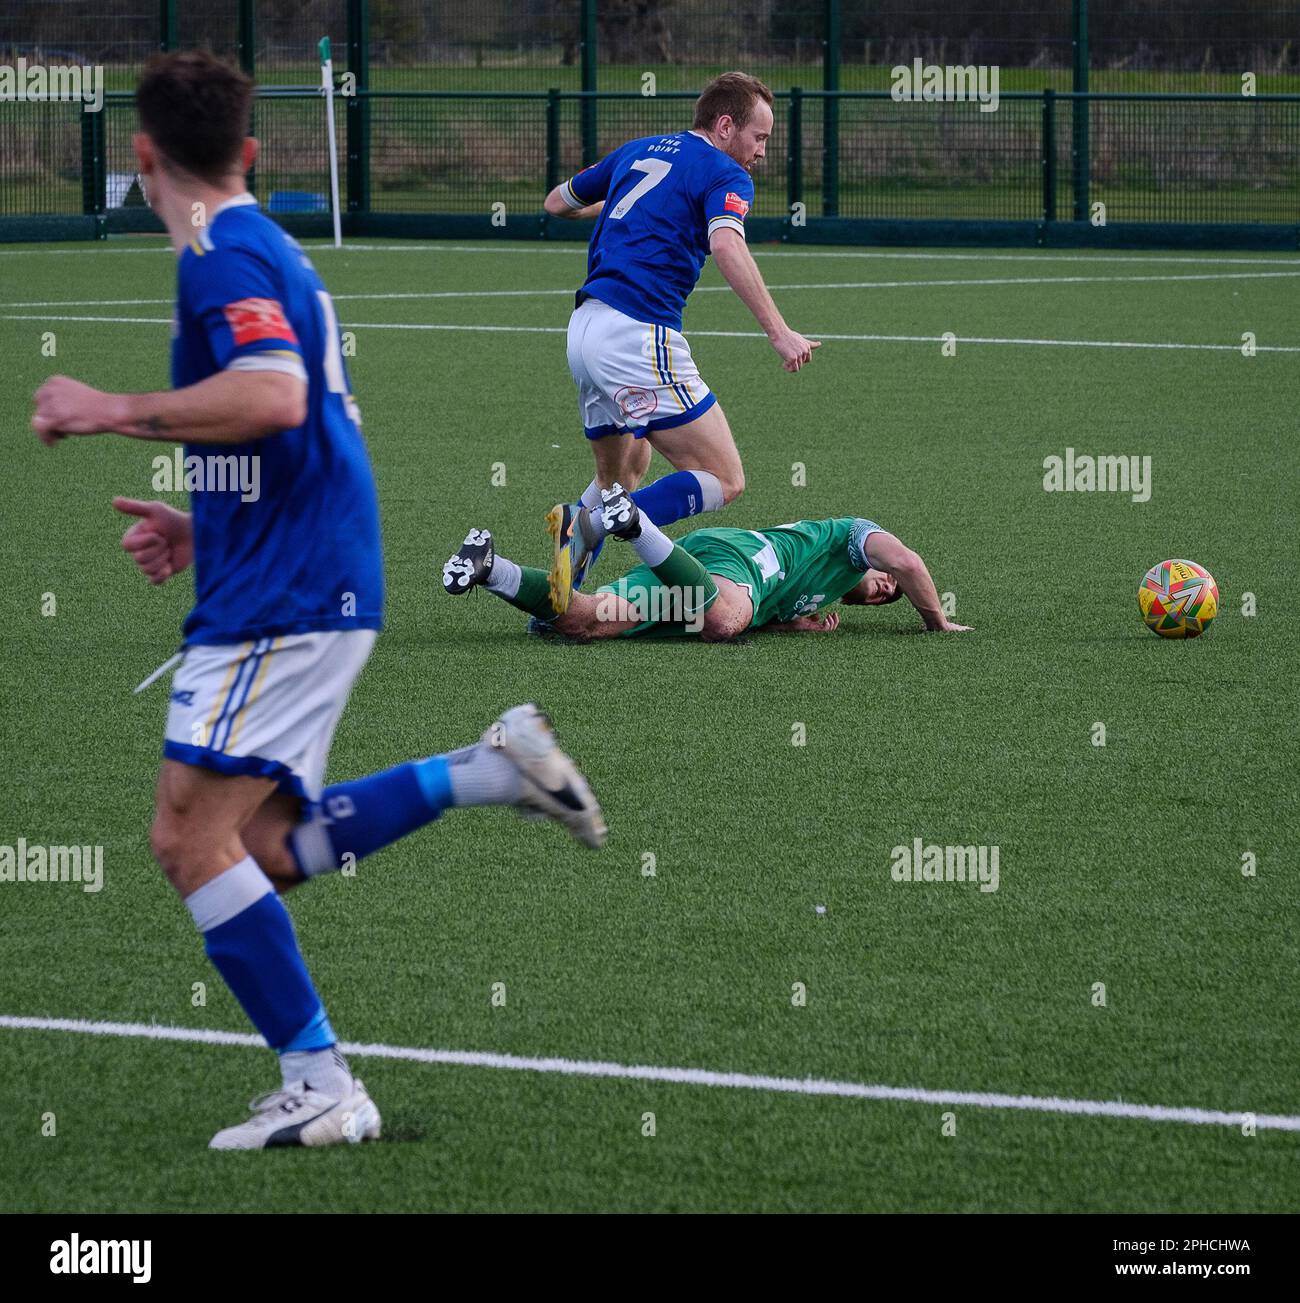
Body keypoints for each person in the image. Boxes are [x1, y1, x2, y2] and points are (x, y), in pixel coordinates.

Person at [31, 52, 605, 1151]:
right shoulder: (264, 245)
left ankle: (322, 1083)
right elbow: (302, 423)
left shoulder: (218, 249)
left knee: (187, 842)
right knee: (264, 848)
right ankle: (491, 768)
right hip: (302, 568)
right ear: (250, 152)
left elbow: (275, 393)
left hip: (287, 595)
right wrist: (211, 526)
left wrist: (108, 406)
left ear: (142, 155)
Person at [540, 71, 821, 611]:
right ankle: (592, 526)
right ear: (724, 127)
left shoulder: (638, 149)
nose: (762, 152)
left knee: (624, 470)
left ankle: (565, 594)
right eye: (758, 137)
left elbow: (557, 202)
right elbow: (727, 245)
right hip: (638, 332)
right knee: (725, 477)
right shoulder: (724, 174)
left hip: (583, 329)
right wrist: (778, 332)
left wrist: (629, 204)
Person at [444, 486, 973, 641]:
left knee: (584, 622)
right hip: (738, 558)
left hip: (702, 572)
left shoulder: (823, 593)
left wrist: (792, 623)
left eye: (887, 599)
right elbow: (908, 560)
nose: (885, 588)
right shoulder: (853, 538)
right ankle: (634, 524)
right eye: (887, 583)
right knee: (723, 622)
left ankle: (489, 568)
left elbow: (768, 606)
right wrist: (936, 622)